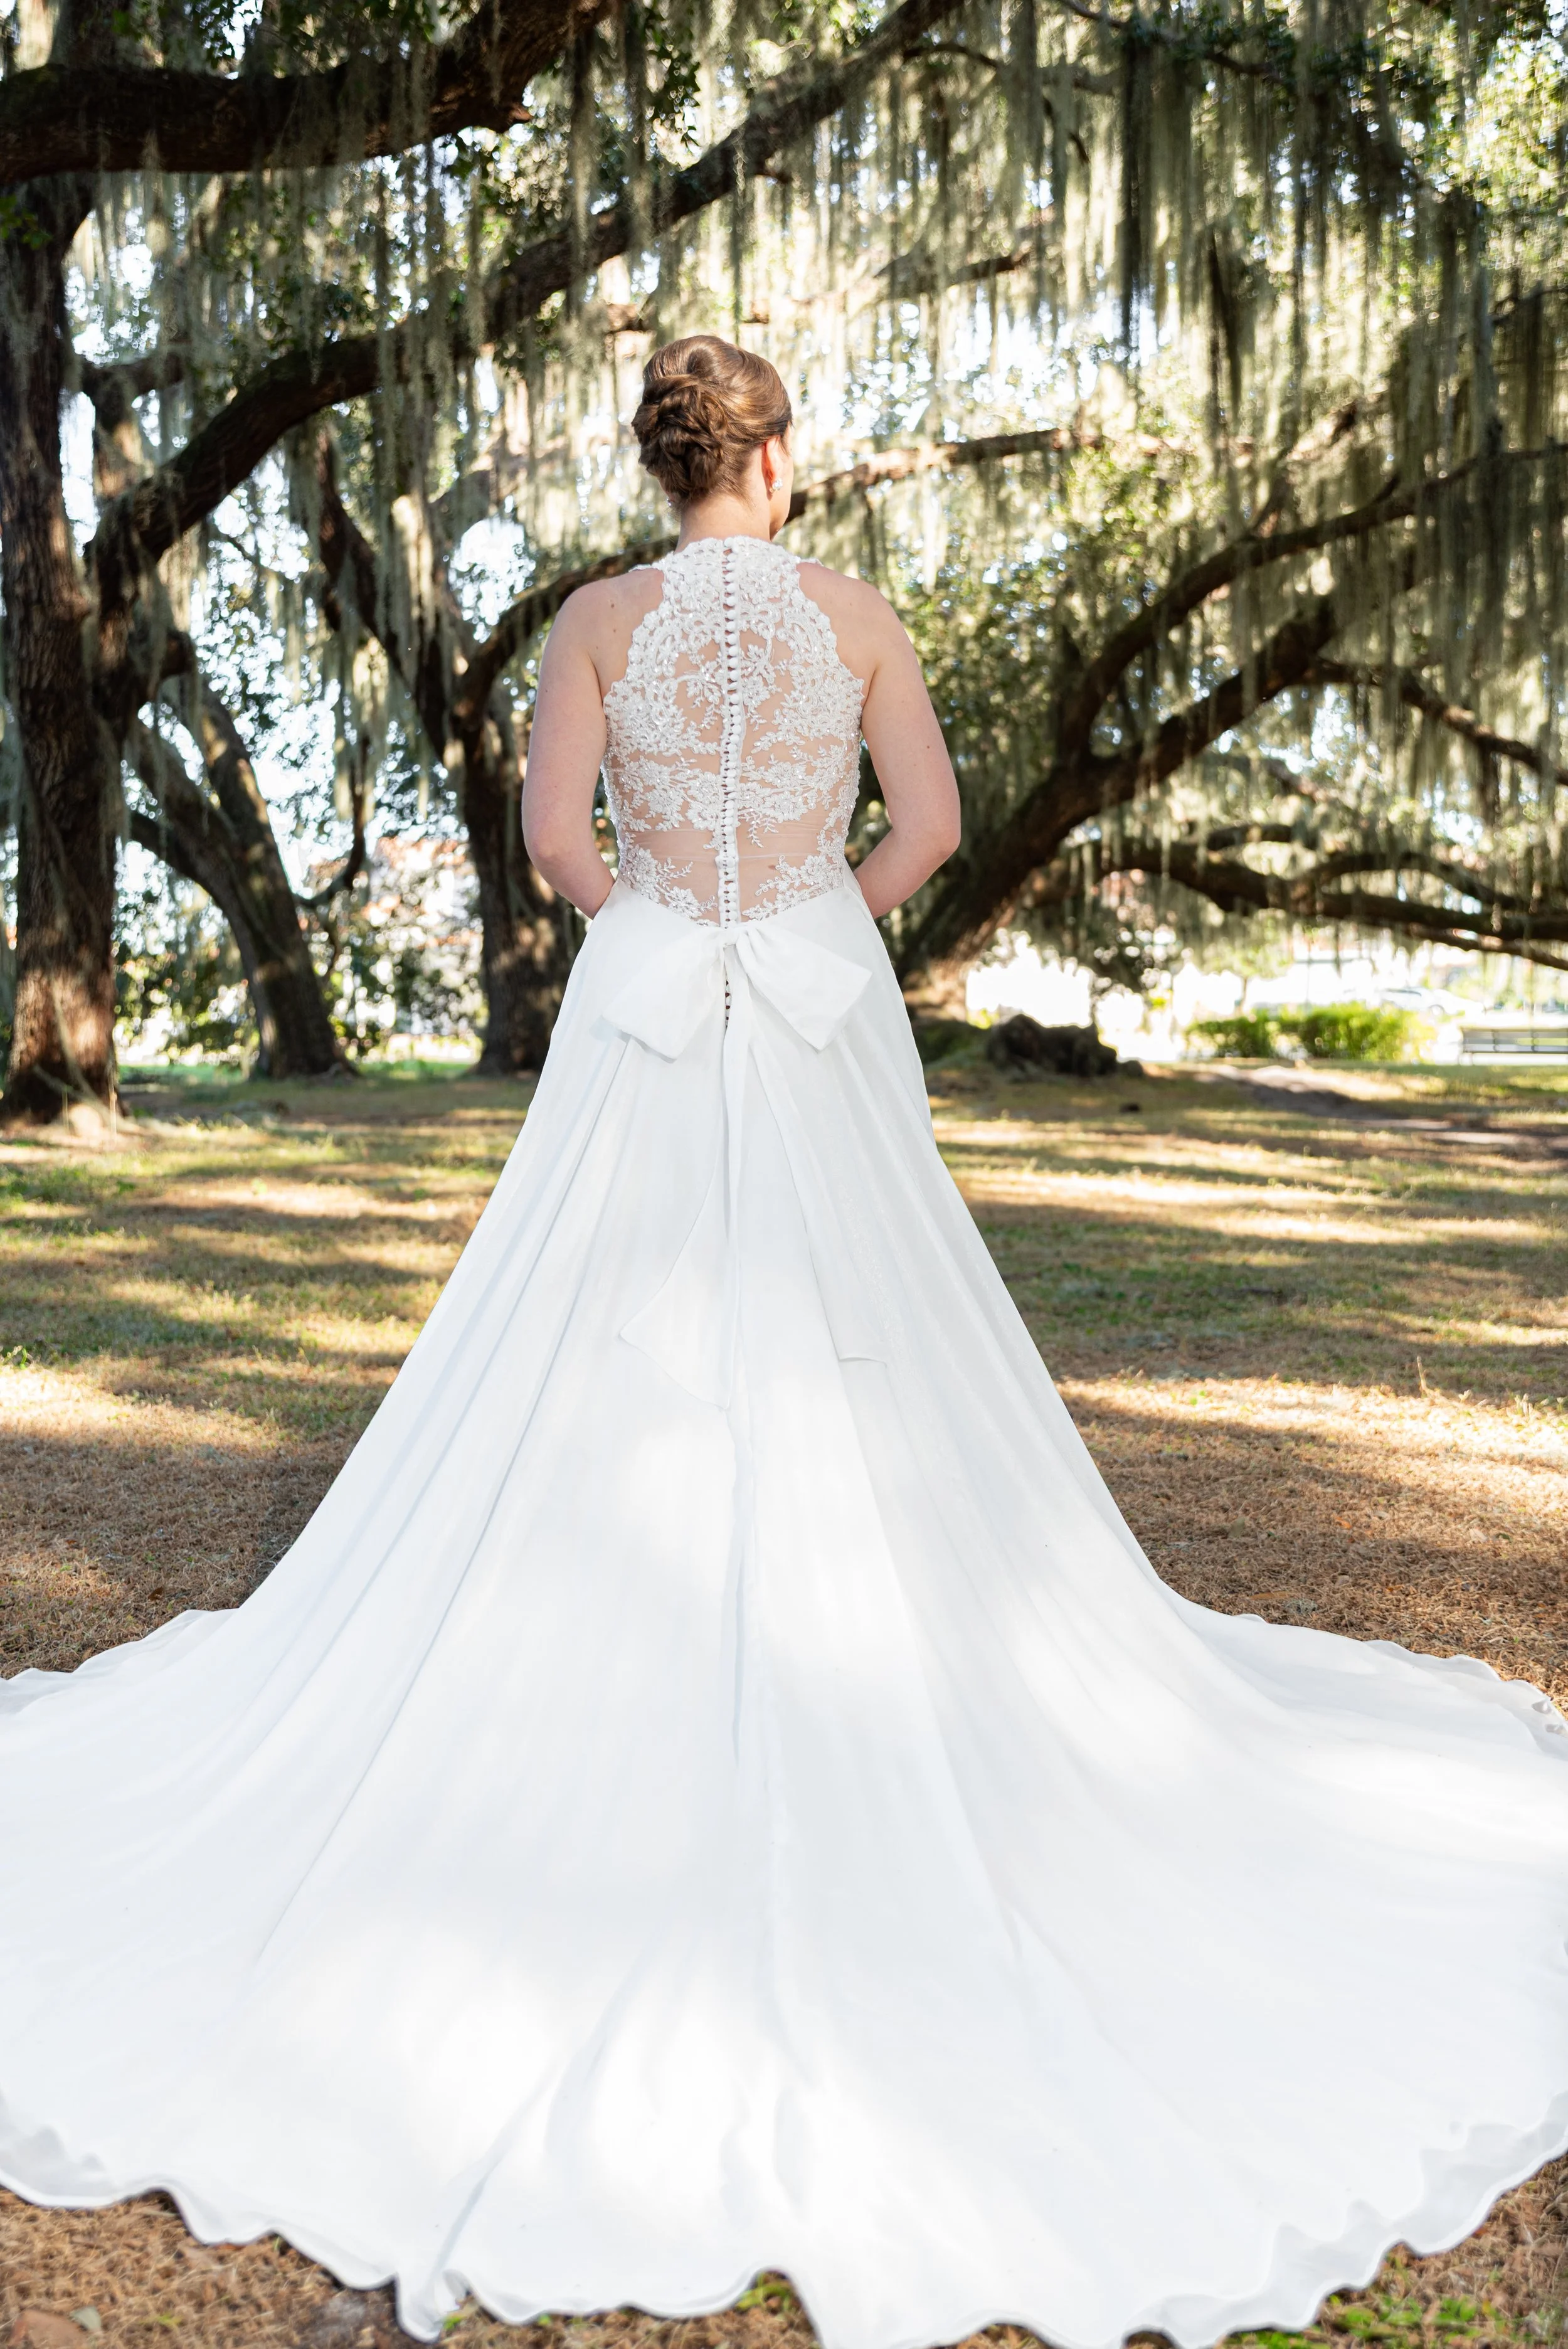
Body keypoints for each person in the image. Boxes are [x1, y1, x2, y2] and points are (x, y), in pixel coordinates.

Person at [2, 332, 1566, 2349]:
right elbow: (921, 828)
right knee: (863, 1323)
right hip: (817, 986)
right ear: (777, 456)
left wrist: (662, 912)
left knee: (598, 1326)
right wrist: (808, 905)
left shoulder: (591, 618)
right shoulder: (852, 616)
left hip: (651, 989)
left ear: (663, 469)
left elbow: (556, 844)